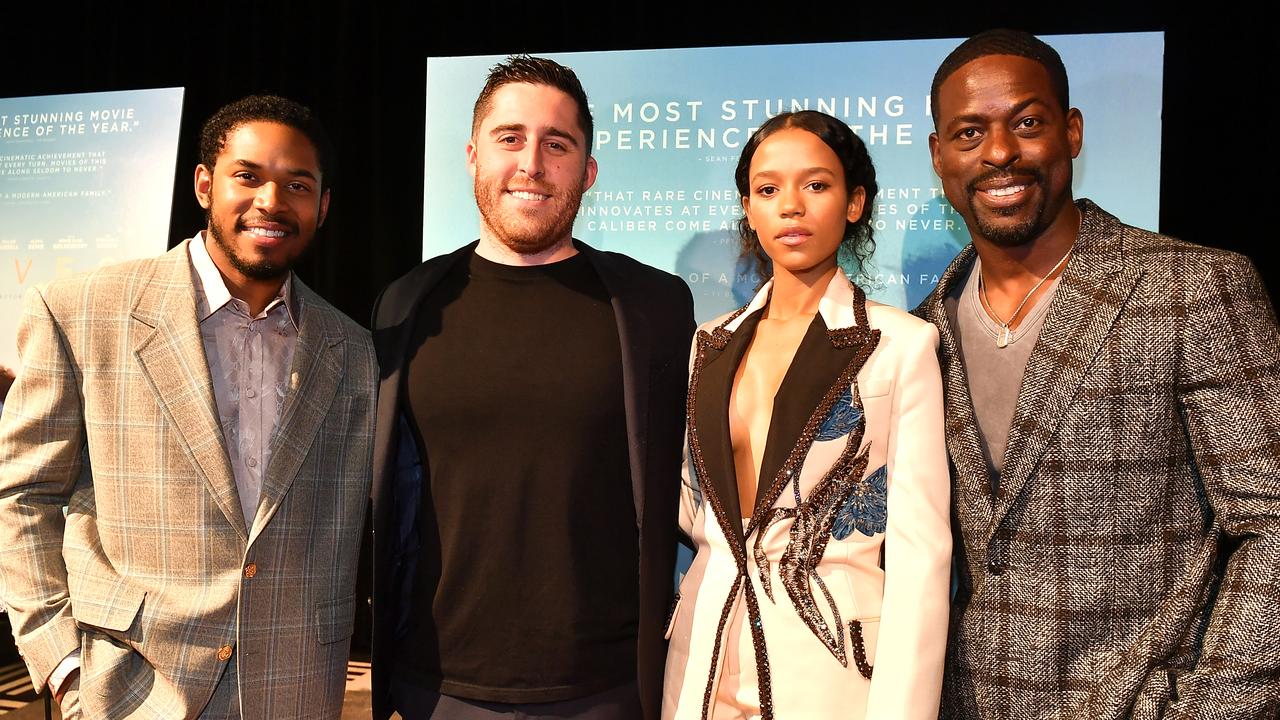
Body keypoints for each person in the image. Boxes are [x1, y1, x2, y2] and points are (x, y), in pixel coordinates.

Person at [917, 29, 1280, 719]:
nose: (999, 152)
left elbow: (1272, 524)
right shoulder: (919, 330)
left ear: (1071, 131)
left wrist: (1213, 710)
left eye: (1026, 122)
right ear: (939, 156)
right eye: (969, 133)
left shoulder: (1192, 287)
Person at [0, 95, 377, 719]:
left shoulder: (353, 349)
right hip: (128, 688)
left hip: (296, 685)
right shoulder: (80, 311)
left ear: (324, 205)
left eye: (298, 185)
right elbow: (21, 494)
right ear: (205, 183)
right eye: (248, 176)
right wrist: (60, 661)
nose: (272, 202)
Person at [369, 55, 695, 720]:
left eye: (557, 144)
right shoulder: (405, 304)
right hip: (436, 688)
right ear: (471, 155)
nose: (532, 164)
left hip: (606, 690)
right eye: (510, 138)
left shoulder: (654, 306)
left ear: (589, 170)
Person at [663, 110, 950, 720]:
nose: (790, 206)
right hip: (702, 658)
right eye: (768, 190)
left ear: (855, 203)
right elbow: (693, 510)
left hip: (834, 668)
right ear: (749, 208)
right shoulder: (707, 343)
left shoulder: (900, 345)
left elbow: (920, 554)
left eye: (815, 185)